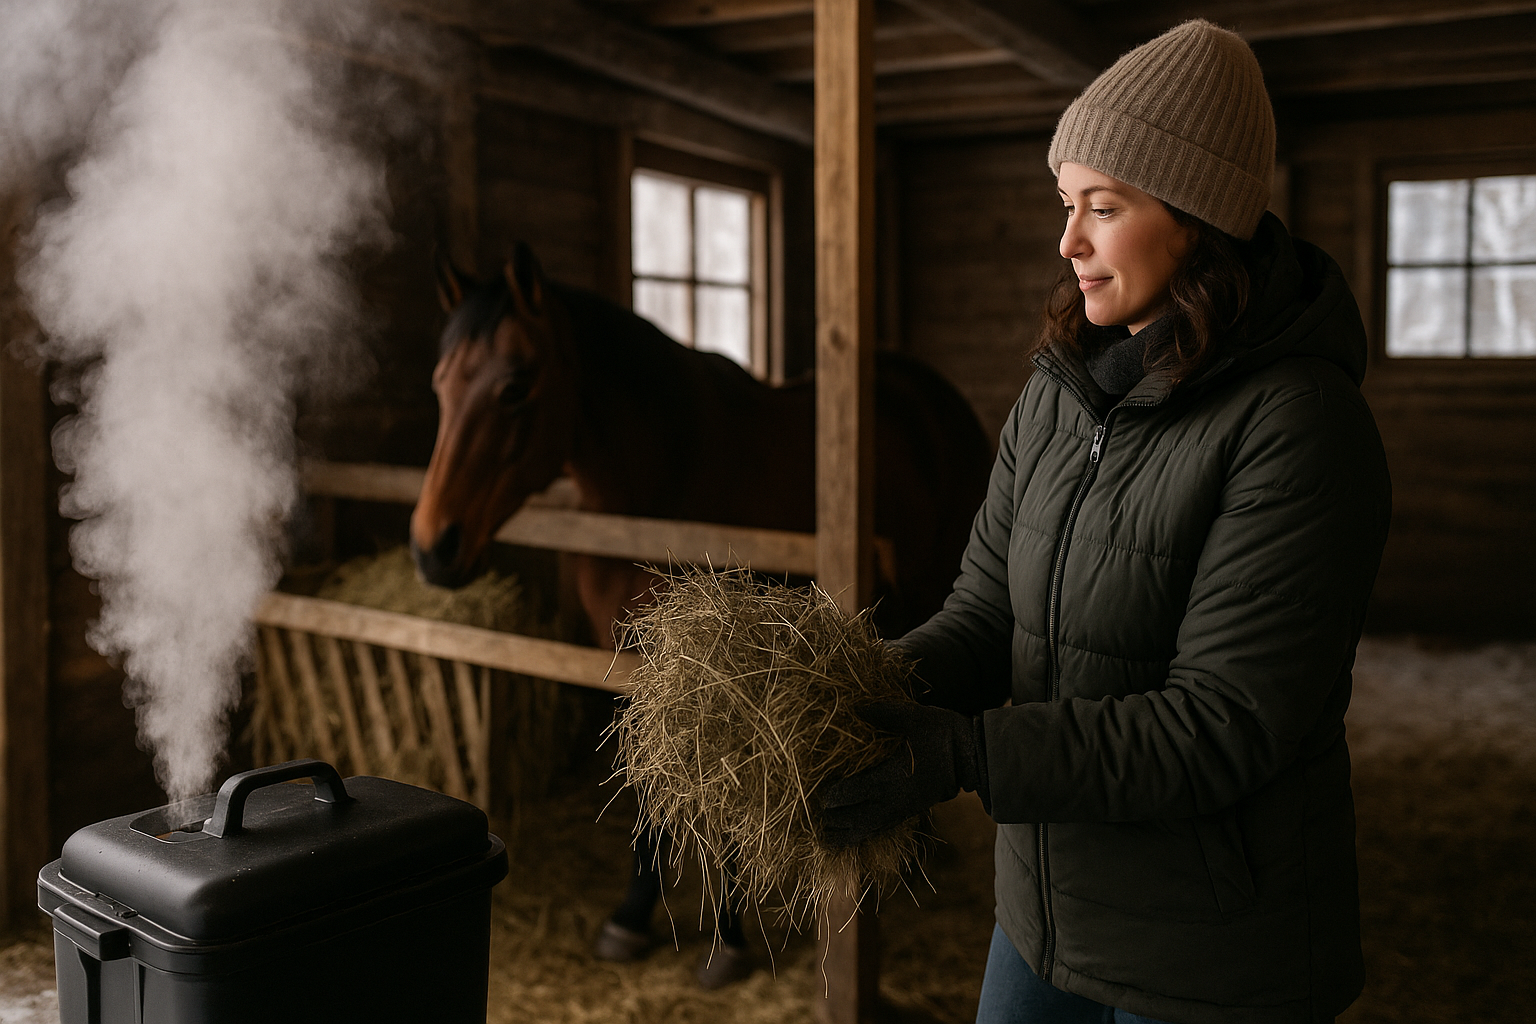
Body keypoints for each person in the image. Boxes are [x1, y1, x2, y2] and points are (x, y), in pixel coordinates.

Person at [819, 19, 1391, 1024]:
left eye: (1103, 206)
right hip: (1045, 914)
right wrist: (861, 693)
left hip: (1212, 947)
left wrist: (961, 757)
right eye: (1064, 203)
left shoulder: (1297, 424)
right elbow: (986, 612)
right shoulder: (1062, 392)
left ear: (1199, 218)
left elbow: (1220, 726)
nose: (1067, 239)